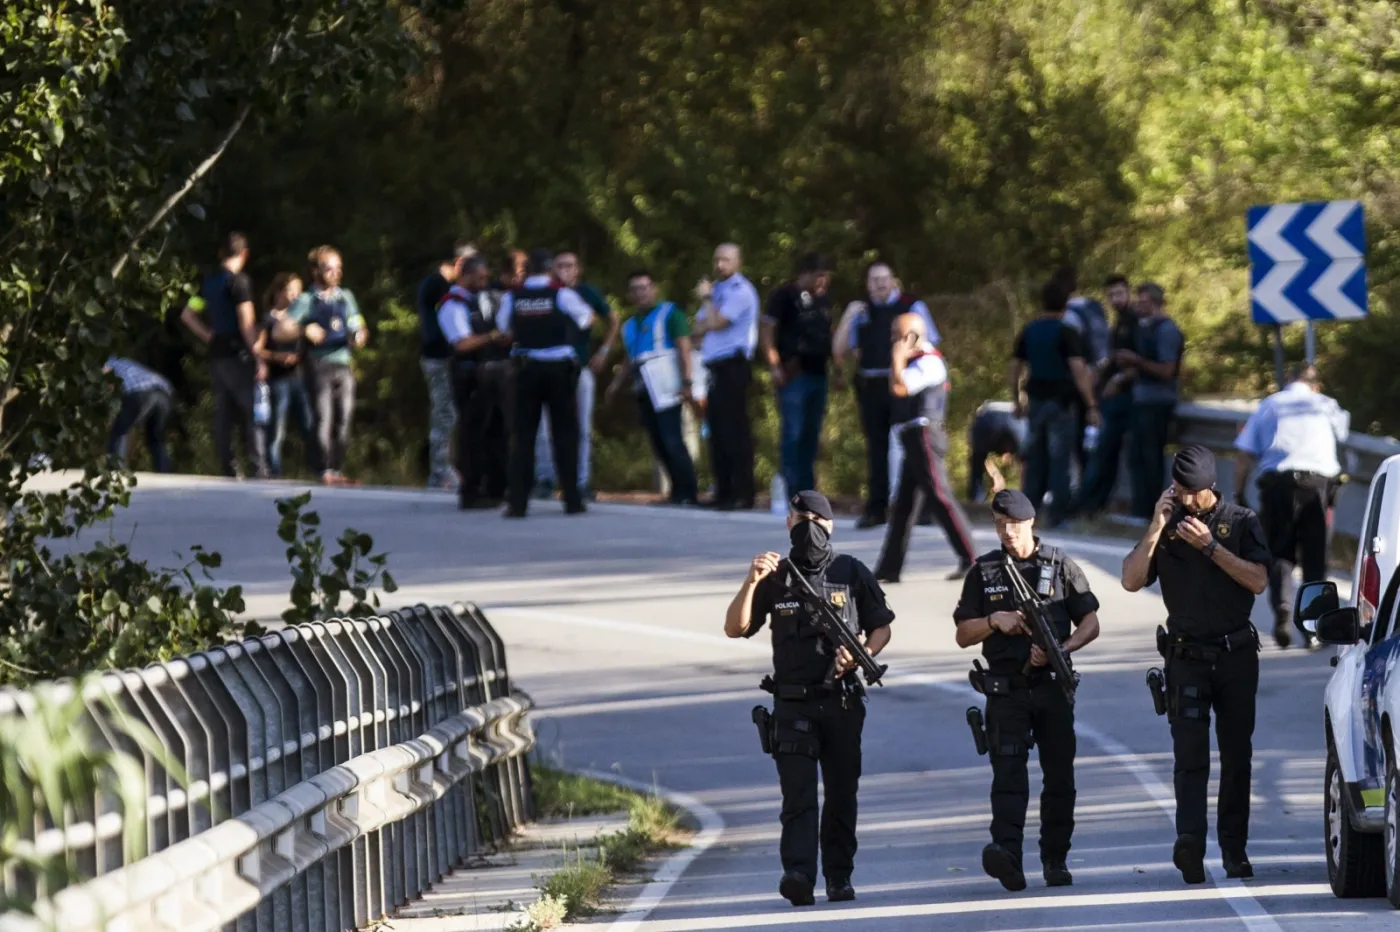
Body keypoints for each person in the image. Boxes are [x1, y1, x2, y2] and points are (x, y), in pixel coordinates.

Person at [724, 490, 894, 907]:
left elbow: (882, 628)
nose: (808, 529)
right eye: (800, 520)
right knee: (797, 795)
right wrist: (751, 581)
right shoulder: (775, 575)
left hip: (841, 701)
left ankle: (839, 876)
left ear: (830, 526)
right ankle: (798, 873)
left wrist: (861, 654)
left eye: (816, 521)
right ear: (788, 524)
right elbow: (734, 627)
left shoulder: (851, 572)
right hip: (792, 703)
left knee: (840, 793)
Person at [1120, 445, 1270, 884]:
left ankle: (1234, 850)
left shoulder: (1242, 522)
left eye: (1192, 492)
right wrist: (1155, 525)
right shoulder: (1165, 526)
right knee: (1189, 757)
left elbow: (1259, 580)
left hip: (1235, 655)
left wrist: (1211, 548)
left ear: (1211, 488)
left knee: (1236, 756)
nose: (1184, 499)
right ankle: (1190, 843)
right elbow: (1130, 580)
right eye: (1178, 490)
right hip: (1185, 658)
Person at [955, 489, 1100, 891]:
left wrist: (1062, 650)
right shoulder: (984, 571)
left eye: (1014, 525)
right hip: (1005, 691)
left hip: (1052, 687)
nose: (1007, 533)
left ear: (1030, 523)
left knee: (1059, 779)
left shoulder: (1059, 564)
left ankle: (1055, 858)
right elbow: (963, 633)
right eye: (1000, 525)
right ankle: (1008, 855)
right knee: (1008, 777)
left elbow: (1090, 622)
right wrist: (994, 620)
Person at [1234, 363, 1349, 648]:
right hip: (1318, 486)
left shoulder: (1270, 405)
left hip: (1279, 486)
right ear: (1316, 385)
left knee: (1279, 552)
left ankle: (1283, 606)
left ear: (1288, 380)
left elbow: (1245, 453)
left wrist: (1238, 493)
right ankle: (1313, 628)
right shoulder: (1326, 404)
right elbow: (1343, 434)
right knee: (1315, 559)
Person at [833, 261, 939, 528]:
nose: (880, 284)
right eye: (874, 280)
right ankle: (877, 508)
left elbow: (929, 342)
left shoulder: (911, 306)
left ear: (894, 281)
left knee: (911, 445)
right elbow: (840, 350)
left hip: (905, 383)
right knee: (876, 449)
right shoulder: (862, 312)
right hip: (871, 385)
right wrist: (848, 316)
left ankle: (922, 507)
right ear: (867, 284)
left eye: (884, 278)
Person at [873, 312, 977, 582]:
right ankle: (889, 567)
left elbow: (900, 387)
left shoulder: (929, 362)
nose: (894, 341)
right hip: (912, 436)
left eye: (899, 336)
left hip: (925, 435)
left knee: (939, 496)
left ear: (914, 337)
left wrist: (898, 357)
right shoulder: (913, 361)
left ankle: (972, 558)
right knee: (904, 505)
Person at [498, 249, 595, 517]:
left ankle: (518, 503)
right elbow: (587, 319)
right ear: (551, 270)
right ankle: (572, 500)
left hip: (525, 369)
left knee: (523, 437)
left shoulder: (512, 296)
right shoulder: (561, 294)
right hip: (559, 369)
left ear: (527, 270)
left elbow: (503, 328)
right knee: (565, 434)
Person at [179, 231, 269, 479]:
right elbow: (246, 322)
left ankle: (228, 466)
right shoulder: (239, 282)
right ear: (245, 254)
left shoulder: (208, 282)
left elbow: (187, 314)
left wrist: (207, 335)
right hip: (238, 353)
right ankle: (259, 467)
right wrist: (258, 355)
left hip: (217, 352)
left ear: (221, 253)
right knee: (252, 410)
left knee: (224, 412)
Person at [1009, 280, 1099, 527]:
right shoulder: (1066, 331)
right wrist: (1091, 404)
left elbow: (1015, 367)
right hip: (1061, 401)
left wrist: (1016, 399)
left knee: (1035, 457)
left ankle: (1027, 512)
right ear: (1064, 306)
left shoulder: (1030, 330)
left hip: (1036, 400)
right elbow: (1078, 369)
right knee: (1060, 458)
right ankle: (1058, 514)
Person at [605, 270, 698, 504]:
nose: (640, 293)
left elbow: (683, 348)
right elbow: (630, 358)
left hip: (666, 383)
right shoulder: (629, 325)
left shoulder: (670, 314)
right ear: (629, 294)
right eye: (635, 289)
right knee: (657, 440)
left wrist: (687, 382)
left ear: (654, 289)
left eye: (644, 287)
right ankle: (676, 490)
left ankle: (688, 491)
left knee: (672, 438)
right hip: (643, 386)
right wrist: (615, 385)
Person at [532, 251, 618, 502]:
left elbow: (612, 319)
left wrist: (603, 351)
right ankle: (546, 478)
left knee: (581, 426)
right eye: (559, 265)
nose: (565, 270)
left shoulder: (586, 293)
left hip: (579, 366)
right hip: (547, 366)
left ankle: (581, 481)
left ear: (578, 269)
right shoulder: (544, 293)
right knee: (543, 428)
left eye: (570, 265)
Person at [289, 246, 369, 486]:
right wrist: (304, 329)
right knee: (323, 417)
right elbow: (281, 328)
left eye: (338, 268)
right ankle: (323, 469)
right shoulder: (306, 299)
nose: (335, 273)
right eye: (329, 268)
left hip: (343, 363)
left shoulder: (346, 297)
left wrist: (360, 335)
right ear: (315, 271)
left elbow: (359, 324)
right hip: (318, 363)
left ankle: (336, 467)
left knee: (344, 418)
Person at [438, 255, 513, 509]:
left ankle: (496, 486)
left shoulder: (481, 299)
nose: (484, 282)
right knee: (472, 433)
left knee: (495, 430)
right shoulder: (453, 305)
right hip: (468, 376)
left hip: (490, 374)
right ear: (465, 275)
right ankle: (471, 490)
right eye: (479, 277)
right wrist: (492, 337)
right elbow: (461, 343)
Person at [692, 243, 760, 510]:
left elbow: (715, 323)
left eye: (726, 260)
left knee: (735, 431)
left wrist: (707, 302)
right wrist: (709, 309)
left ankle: (742, 493)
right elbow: (697, 325)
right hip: (714, 367)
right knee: (717, 432)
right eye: (717, 259)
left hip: (733, 365)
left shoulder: (741, 291)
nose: (720, 265)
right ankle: (723, 491)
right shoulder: (718, 290)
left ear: (738, 262)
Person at [761, 253, 833, 495]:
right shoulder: (784, 296)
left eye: (826, 277)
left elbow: (828, 334)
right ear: (806, 275)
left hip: (819, 372)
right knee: (793, 432)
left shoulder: (823, 300)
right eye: (819, 277)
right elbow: (767, 332)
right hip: (793, 373)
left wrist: (839, 369)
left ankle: (807, 487)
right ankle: (789, 486)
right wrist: (774, 366)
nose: (822, 282)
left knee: (812, 433)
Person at [1070, 274, 1138, 518]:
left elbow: (1137, 360)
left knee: (1103, 453)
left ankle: (1084, 503)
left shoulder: (1135, 321)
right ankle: (1094, 504)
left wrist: (1119, 379)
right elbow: (1114, 357)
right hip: (1112, 396)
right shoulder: (1117, 323)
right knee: (1104, 452)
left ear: (1128, 293)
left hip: (1127, 397)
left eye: (1119, 293)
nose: (1115, 299)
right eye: (1111, 295)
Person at [1117, 282, 1184, 519]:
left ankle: (1151, 511)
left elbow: (1167, 370)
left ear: (1154, 302)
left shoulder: (1166, 330)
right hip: (1141, 400)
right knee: (1137, 456)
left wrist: (1135, 361)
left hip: (1157, 402)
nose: (1138, 306)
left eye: (1142, 301)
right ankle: (1140, 508)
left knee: (1150, 457)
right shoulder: (1145, 328)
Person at [418, 242, 477, 491]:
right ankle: (439, 470)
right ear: (459, 264)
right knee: (444, 413)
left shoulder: (437, 285)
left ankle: (446, 467)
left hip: (444, 357)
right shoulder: (438, 287)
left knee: (450, 412)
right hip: (438, 357)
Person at [255, 273, 316, 478]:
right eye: (291, 291)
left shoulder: (299, 318)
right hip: (278, 380)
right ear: (279, 292)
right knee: (276, 432)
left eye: (299, 291)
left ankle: (319, 470)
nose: (296, 295)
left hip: (299, 378)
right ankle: (274, 473)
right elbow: (258, 349)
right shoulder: (267, 319)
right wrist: (277, 357)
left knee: (310, 426)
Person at [1055, 267, 1110, 474]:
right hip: (1101, 378)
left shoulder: (1066, 316)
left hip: (1076, 385)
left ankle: (1083, 487)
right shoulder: (1093, 307)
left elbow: (1073, 359)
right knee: (1094, 436)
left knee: (1076, 439)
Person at [104, 357, 174, 473]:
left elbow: (107, 377)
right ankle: (164, 471)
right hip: (164, 394)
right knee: (155, 437)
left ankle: (115, 470)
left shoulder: (107, 362)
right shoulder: (124, 361)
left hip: (140, 392)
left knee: (119, 430)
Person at [967, 402, 1026, 503]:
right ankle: (1028, 503)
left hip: (986, 417)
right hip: (1016, 420)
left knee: (978, 461)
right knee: (1028, 464)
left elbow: (981, 453)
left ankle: (976, 500)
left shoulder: (986, 412)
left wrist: (995, 474)